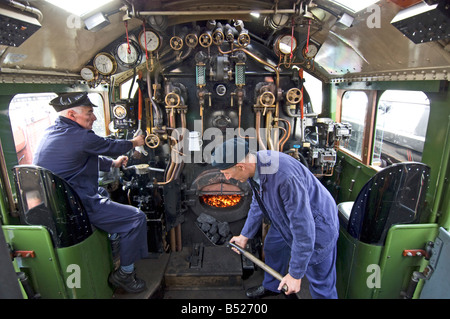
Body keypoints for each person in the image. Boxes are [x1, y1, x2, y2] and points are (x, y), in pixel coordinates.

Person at [33, 92, 148, 293]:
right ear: (71, 114)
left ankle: (114, 241)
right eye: (89, 113)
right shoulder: (79, 136)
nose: (94, 117)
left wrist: (113, 163)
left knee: (103, 191)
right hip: (77, 205)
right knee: (136, 218)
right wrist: (134, 143)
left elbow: (86, 154)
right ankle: (125, 274)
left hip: (59, 204)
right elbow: (108, 146)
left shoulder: (53, 132)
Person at [211, 137, 339, 299]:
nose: (228, 178)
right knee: (273, 246)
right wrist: (245, 235)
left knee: (320, 282)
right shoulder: (255, 165)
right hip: (287, 217)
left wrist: (295, 275)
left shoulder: (285, 179)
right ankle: (273, 286)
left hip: (317, 224)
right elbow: (258, 203)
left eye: (227, 173)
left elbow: (303, 229)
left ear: (240, 166)